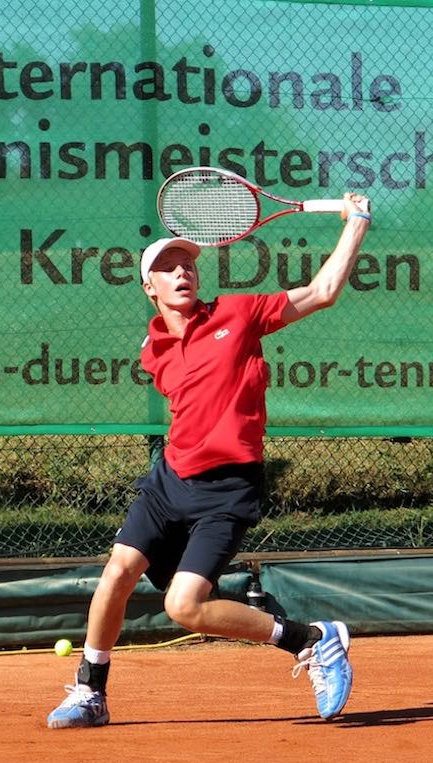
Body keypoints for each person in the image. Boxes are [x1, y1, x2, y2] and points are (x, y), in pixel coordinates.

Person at [47, 193, 372, 728]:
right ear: (148, 287)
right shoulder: (153, 350)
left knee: (185, 607)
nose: (183, 272)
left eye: (190, 265)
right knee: (118, 570)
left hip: (227, 488)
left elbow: (322, 292)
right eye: (168, 267)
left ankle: (311, 640)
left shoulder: (237, 314)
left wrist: (356, 222)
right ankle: (90, 692)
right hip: (170, 481)